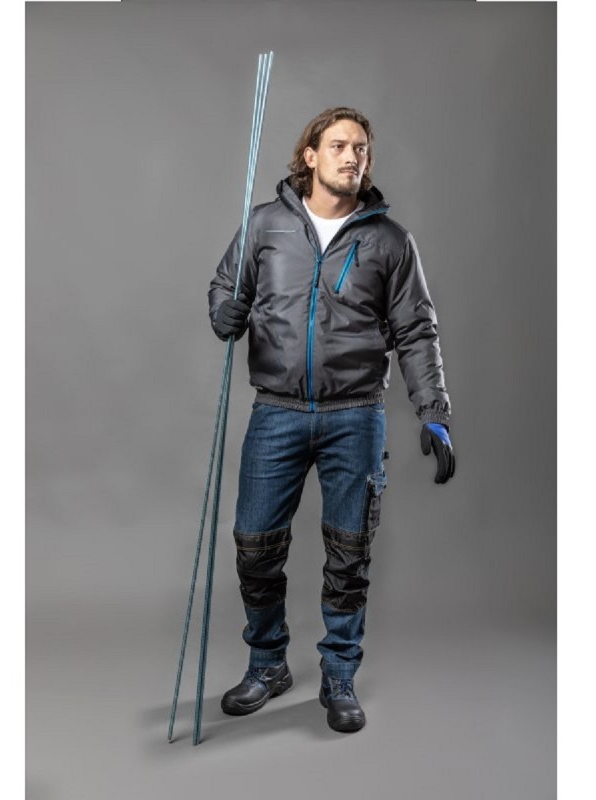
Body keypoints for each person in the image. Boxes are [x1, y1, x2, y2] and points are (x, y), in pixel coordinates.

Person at [208, 107, 455, 734]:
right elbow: (224, 287)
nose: (353, 157)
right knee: (254, 544)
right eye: (340, 145)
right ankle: (267, 664)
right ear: (310, 155)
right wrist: (224, 313)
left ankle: (339, 675)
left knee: (350, 553)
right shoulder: (265, 225)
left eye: (361, 149)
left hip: (356, 414)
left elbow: (416, 330)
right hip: (277, 411)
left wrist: (433, 412)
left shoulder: (390, 241)